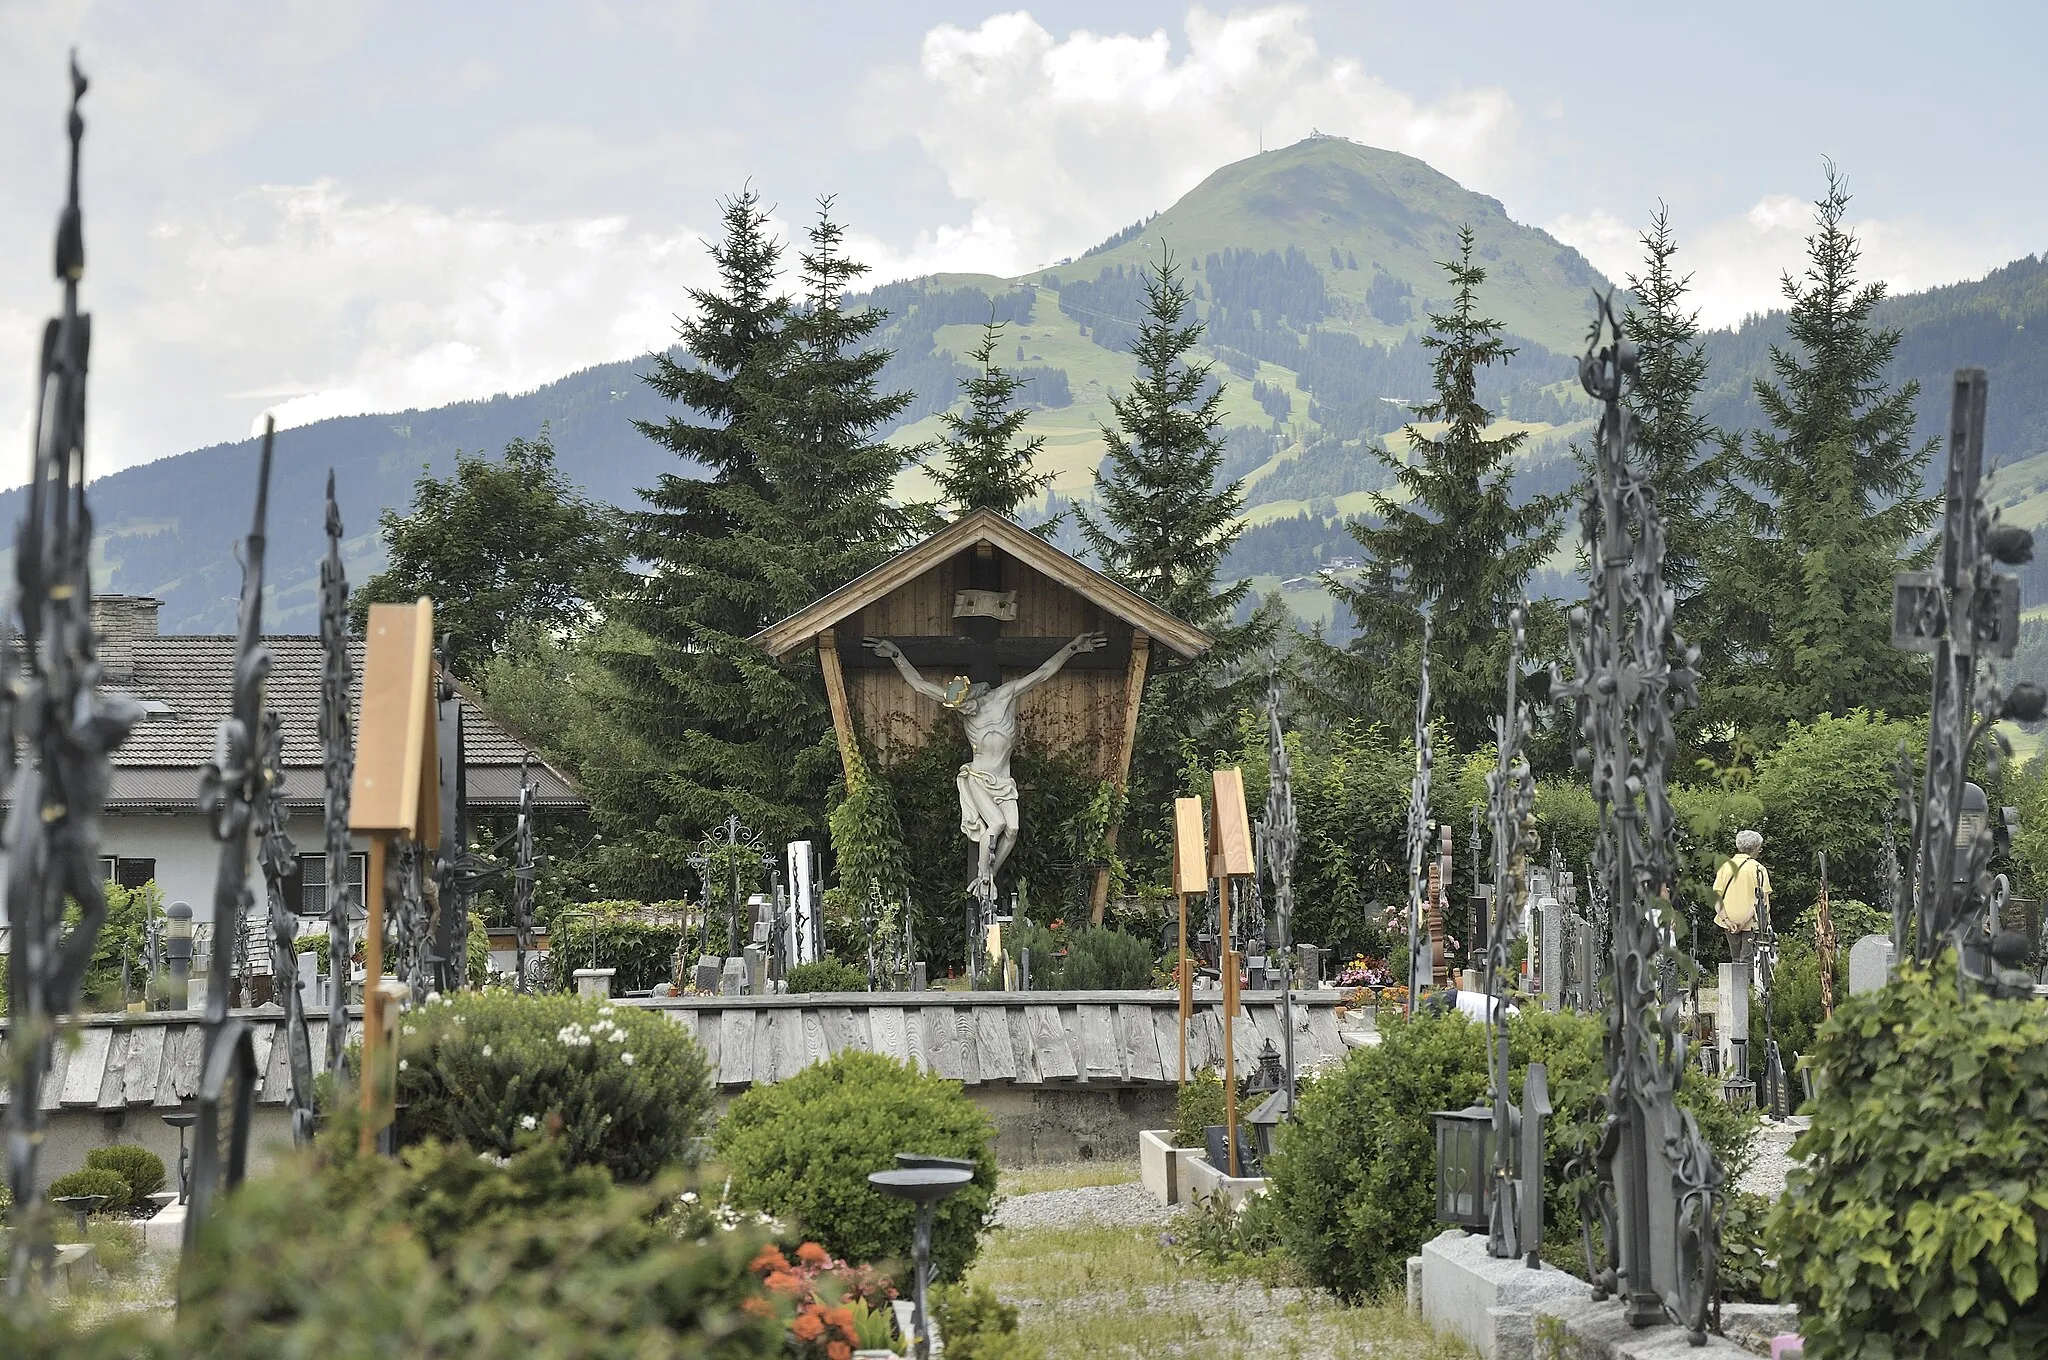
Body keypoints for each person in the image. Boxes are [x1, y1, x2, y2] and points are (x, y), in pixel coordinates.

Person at [1713, 829, 1771, 964]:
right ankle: (1747, 985)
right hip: (1752, 922)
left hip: (1728, 921)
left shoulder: (1725, 867)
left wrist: (1726, 920)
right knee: (1749, 962)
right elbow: (1761, 900)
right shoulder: (1759, 869)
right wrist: (1744, 921)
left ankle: (1735, 984)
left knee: (1736, 961)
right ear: (1755, 848)